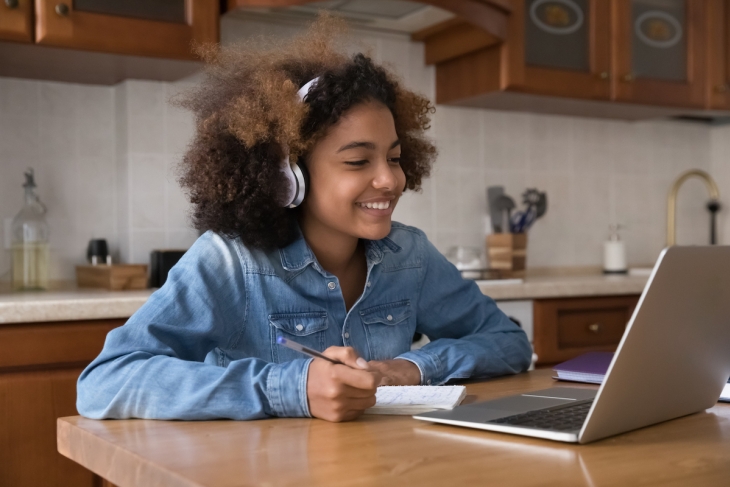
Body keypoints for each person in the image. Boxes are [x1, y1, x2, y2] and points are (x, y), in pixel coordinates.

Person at [76, 17, 531, 423]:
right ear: (288, 175)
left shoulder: (409, 256)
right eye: (358, 162)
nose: (390, 180)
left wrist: (413, 367)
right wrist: (291, 388)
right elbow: (105, 381)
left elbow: (508, 342)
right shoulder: (232, 262)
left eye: (394, 158)